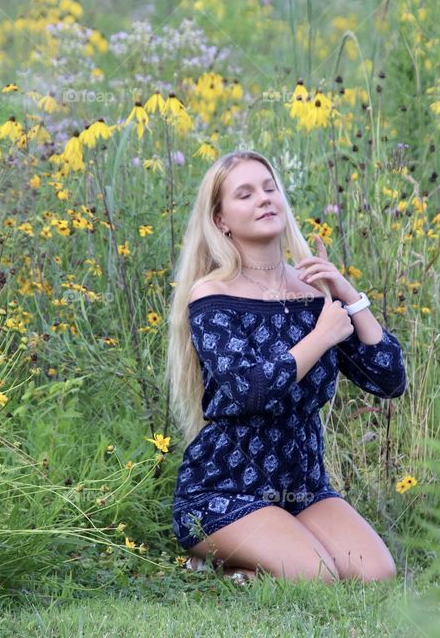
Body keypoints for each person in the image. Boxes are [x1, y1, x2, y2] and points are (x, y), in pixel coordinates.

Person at [165, 149, 407, 584]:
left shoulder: (315, 294)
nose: (263, 199)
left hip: (304, 488)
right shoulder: (212, 295)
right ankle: (226, 560)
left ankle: (256, 562)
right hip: (225, 489)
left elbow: (389, 379)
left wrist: (348, 294)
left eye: (269, 188)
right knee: (319, 576)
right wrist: (321, 336)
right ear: (221, 220)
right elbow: (248, 389)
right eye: (245, 194)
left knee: (377, 574)